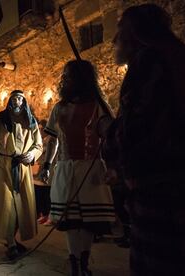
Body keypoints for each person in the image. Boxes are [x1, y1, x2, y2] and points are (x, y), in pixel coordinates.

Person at [107, 4, 185, 275]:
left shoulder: (150, 61)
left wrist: (111, 138)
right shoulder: (174, 56)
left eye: (120, 31)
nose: (115, 40)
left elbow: (139, 127)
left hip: (160, 187)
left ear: (136, 33)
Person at [41, 60, 115, 276]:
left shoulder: (99, 105)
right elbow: (53, 140)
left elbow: (109, 139)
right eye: (67, 76)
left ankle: (83, 261)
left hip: (91, 168)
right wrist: (46, 164)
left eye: (73, 76)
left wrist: (112, 166)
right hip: (65, 168)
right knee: (71, 221)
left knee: (89, 221)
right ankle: (74, 261)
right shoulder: (59, 107)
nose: (69, 80)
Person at [0, 90, 43, 260]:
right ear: (10, 100)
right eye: (14, 98)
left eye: (20, 99)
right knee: (7, 206)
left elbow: (38, 145)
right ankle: (10, 242)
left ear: (24, 101)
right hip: (4, 167)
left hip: (23, 168)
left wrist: (32, 154)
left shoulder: (31, 121)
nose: (17, 101)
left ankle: (13, 239)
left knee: (22, 207)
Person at [32, 119, 52, 226]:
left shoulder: (50, 140)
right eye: (38, 128)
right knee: (38, 194)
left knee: (45, 194)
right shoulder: (40, 139)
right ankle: (42, 214)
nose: (39, 131)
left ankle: (47, 215)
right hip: (36, 171)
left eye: (41, 129)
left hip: (44, 171)